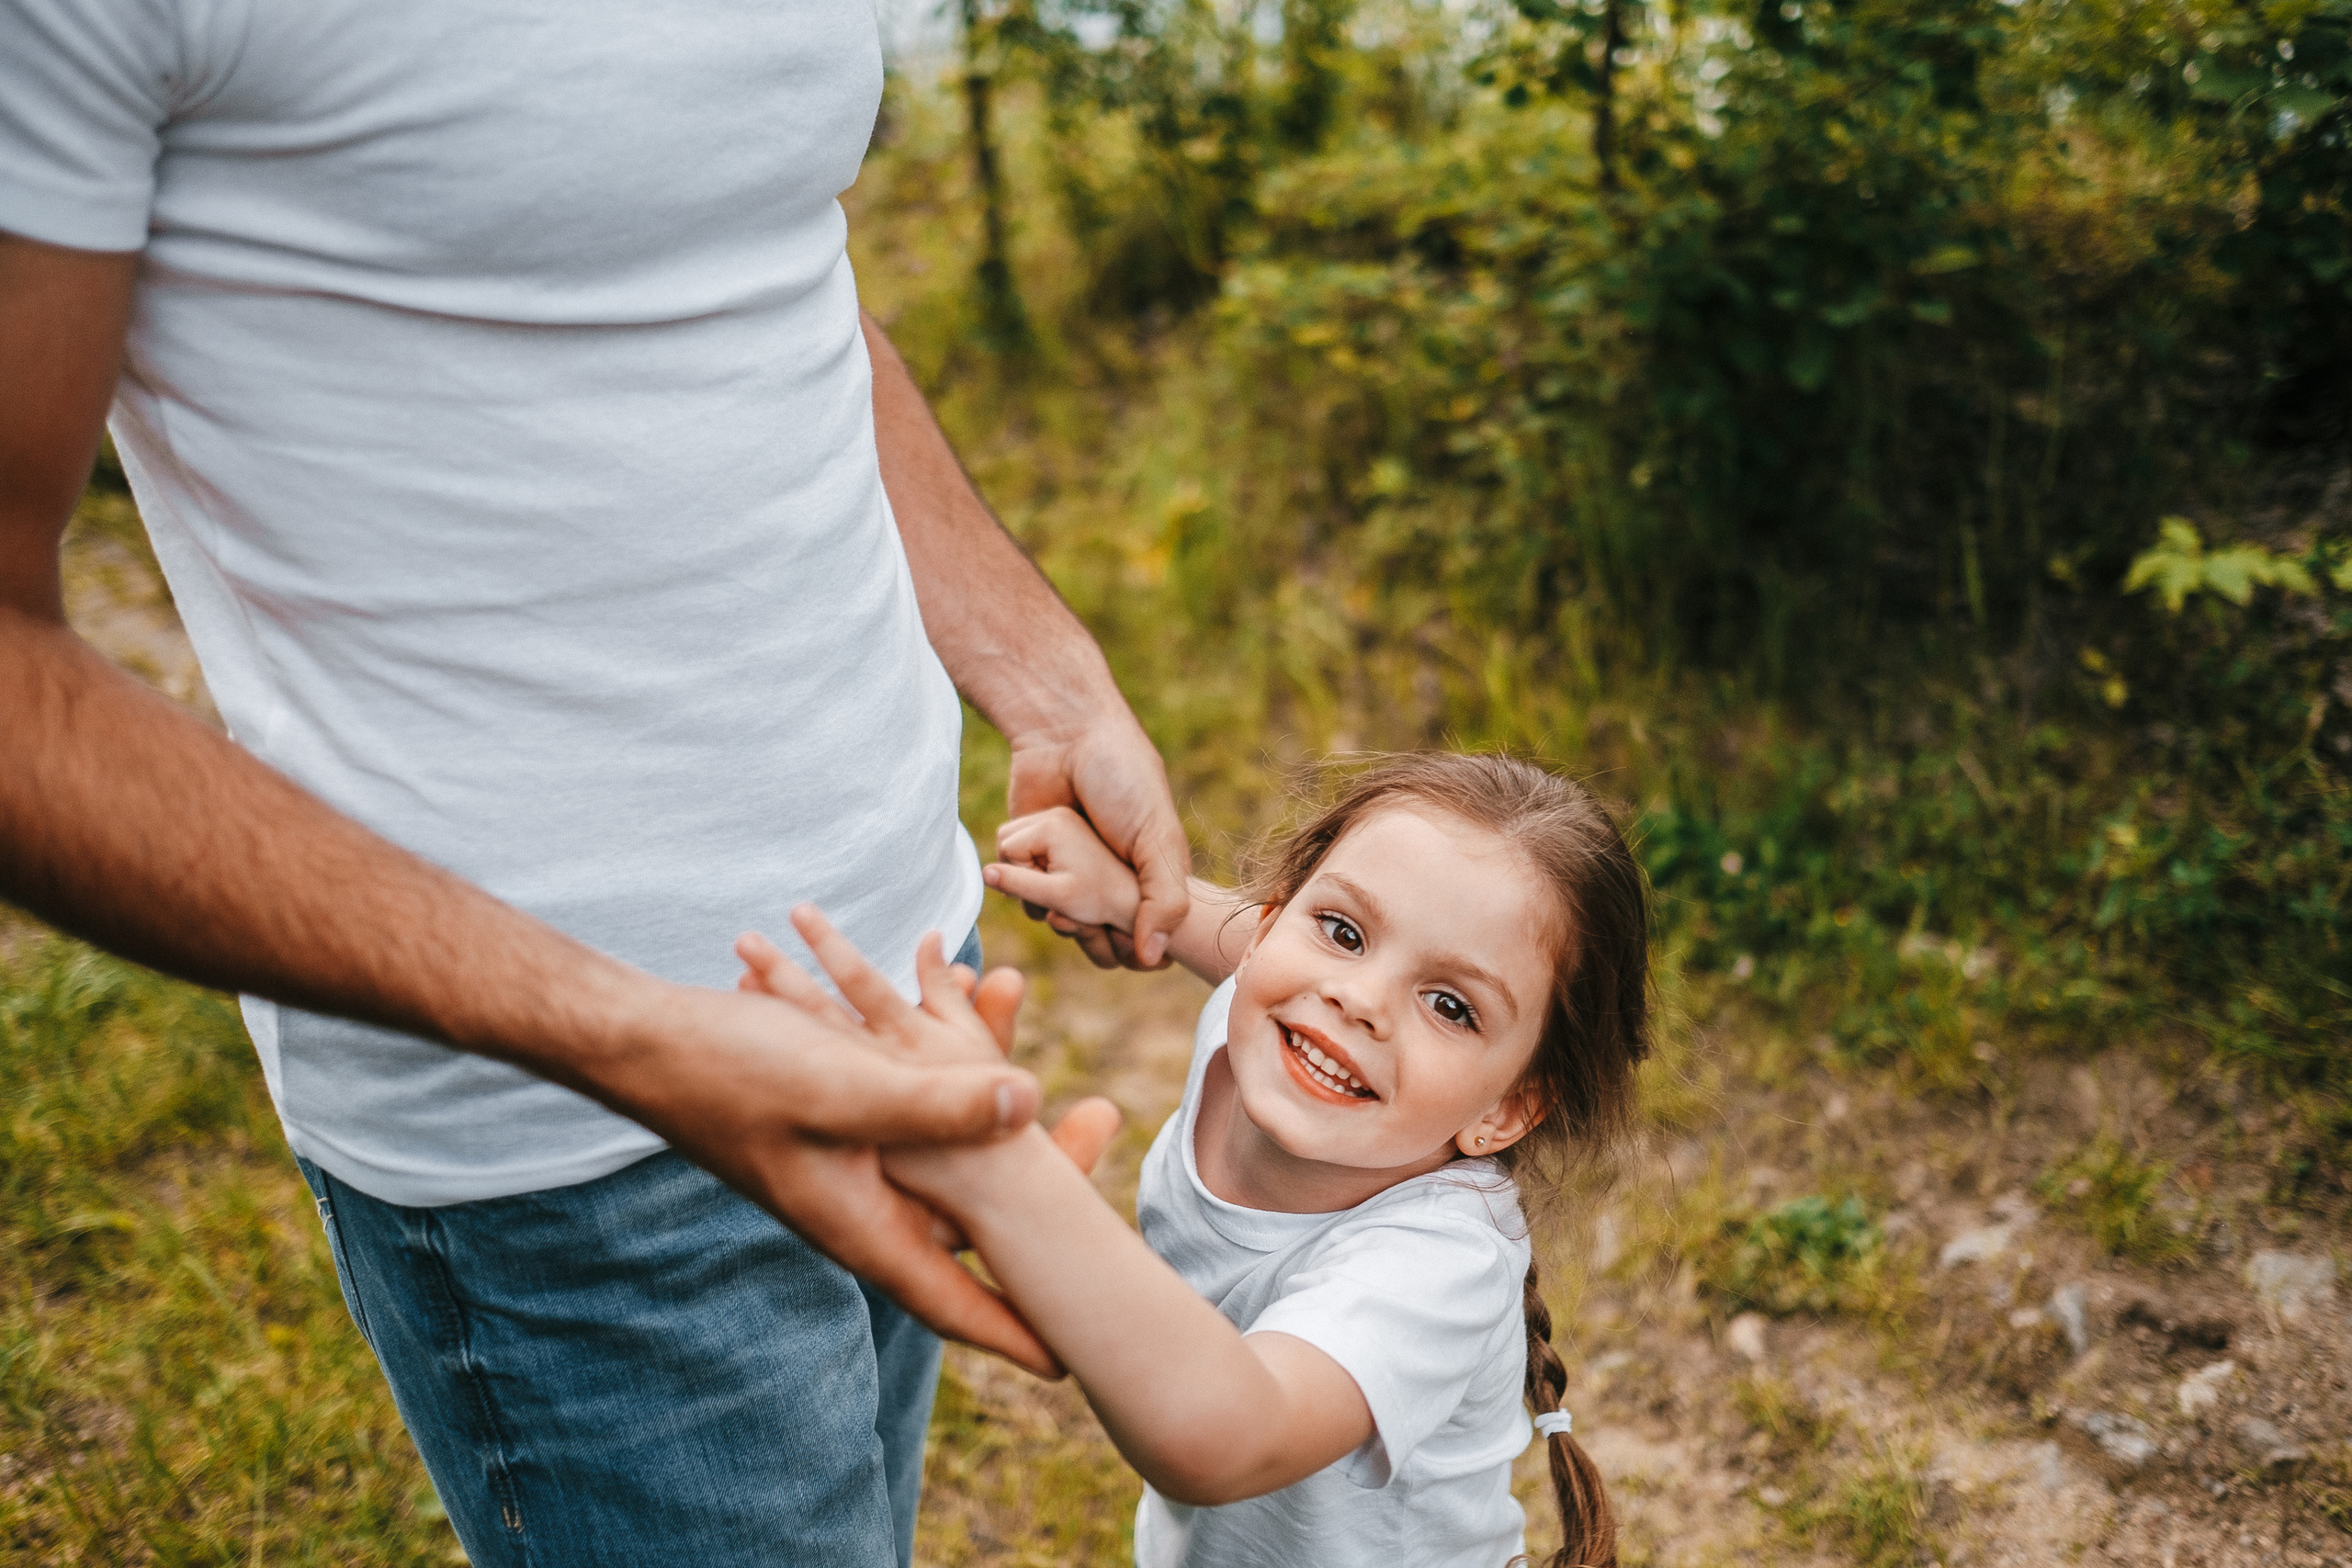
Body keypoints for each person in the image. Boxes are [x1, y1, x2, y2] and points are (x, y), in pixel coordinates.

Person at [0, 2, 1191, 1562]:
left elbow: (756, 247)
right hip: (569, 1130)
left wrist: (1042, 669)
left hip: (912, 967)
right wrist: (631, 1036)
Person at [741, 752, 1652, 1568]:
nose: (1357, 998)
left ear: (1505, 1109)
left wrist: (1000, 1173)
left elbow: (1224, 1438)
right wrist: (1142, 900)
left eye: (1450, 1005)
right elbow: (1249, 942)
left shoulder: (1437, 1265)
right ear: (1271, 923)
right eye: (1343, 931)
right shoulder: (1260, 1021)